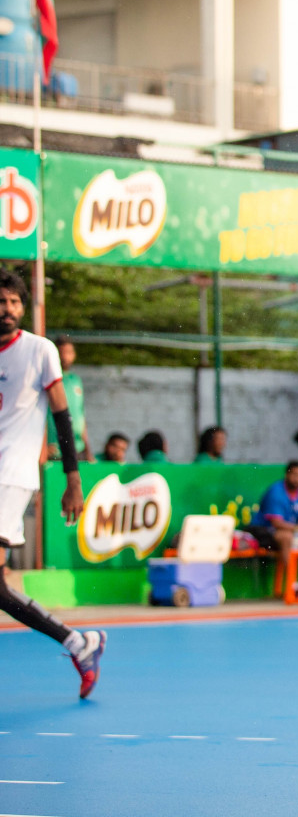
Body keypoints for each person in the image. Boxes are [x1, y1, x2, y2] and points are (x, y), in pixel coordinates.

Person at [0, 270, 107, 698]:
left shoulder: (40, 350)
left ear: (23, 308)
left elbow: (61, 416)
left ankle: (79, 643)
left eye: (13, 302)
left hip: (12, 475)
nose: (6, 310)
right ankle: (79, 643)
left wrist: (73, 478)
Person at [246, 460, 298, 599]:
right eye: (295, 475)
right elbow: (276, 523)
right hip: (265, 532)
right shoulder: (276, 492)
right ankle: (293, 586)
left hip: (293, 531)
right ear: (287, 475)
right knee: (286, 537)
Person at [46, 335, 94, 463]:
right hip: (54, 451)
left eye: (68, 352)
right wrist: (43, 447)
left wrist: (88, 450)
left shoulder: (75, 380)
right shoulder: (47, 378)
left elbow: (80, 416)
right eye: (61, 353)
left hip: (77, 450)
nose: (65, 357)